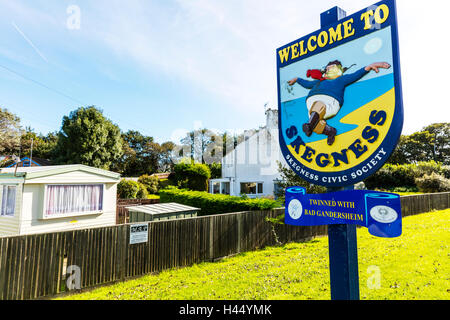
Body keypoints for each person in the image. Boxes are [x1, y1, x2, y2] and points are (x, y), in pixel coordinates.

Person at [288, 60, 391, 145]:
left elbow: (356, 75)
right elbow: (307, 83)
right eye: (327, 68)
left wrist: (370, 66)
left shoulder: (341, 80)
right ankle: (330, 131)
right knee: (316, 125)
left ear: (339, 69)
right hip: (312, 106)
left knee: (318, 107)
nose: (328, 69)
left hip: (330, 102)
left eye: (331, 67)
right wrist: (297, 79)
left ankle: (309, 125)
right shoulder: (319, 82)